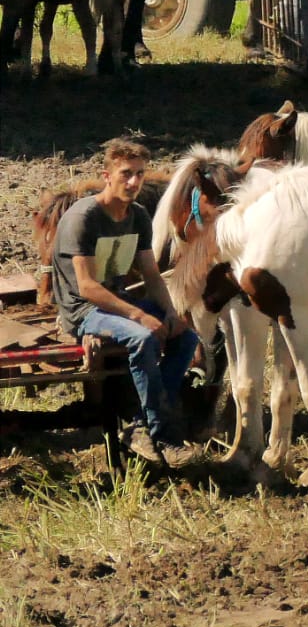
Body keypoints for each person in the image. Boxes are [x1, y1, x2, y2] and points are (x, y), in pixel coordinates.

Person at [51, 139, 199, 464]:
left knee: (187, 337)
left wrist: (171, 313)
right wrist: (138, 315)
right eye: (125, 174)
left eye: (139, 174)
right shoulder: (84, 217)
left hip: (117, 303)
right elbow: (88, 288)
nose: (133, 182)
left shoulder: (139, 216)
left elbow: (151, 273)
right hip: (84, 312)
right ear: (107, 175)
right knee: (143, 337)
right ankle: (160, 435)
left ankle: (141, 422)